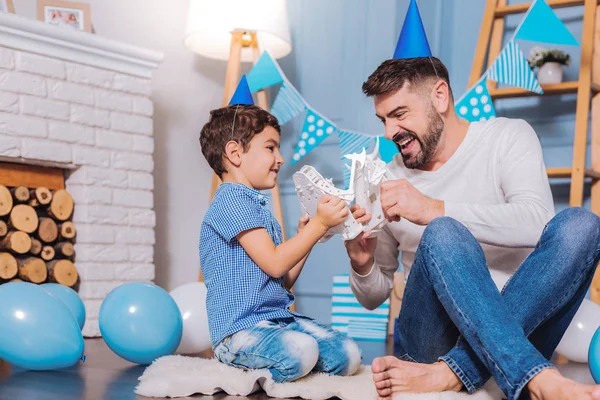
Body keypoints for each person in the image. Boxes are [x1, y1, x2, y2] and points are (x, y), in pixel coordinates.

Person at [344, 57, 600, 400]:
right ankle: (534, 379)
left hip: (521, 329)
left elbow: (537, 222)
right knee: (443, 233)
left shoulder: (507, 137)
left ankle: (452, 374)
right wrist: (362, 264)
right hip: (429, 342)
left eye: (400, 114)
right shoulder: (386, 179)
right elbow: (374, 297)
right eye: (383, 120)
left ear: (440, 96)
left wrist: (432, 208)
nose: (390, 132)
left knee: (583, 225)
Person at [198, 104, 362, 383]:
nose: (281, 158)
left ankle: (284, 366)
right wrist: (320, 225)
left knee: (347, 353)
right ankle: (240, 373)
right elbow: (275, 263)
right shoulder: (230, 200)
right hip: (239, 329)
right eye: (271, 148)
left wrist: (309, 236)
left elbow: (282, 280)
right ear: (235, 153)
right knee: (302, 351)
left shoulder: (258, 208)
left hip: (276, 321)